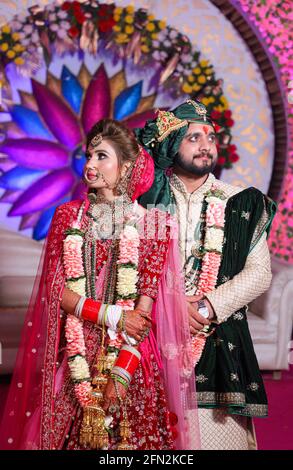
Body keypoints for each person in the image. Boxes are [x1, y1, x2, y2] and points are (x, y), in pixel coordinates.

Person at [0, 118, 199, 450]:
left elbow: (144, 311)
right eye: (88, 156)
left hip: (131, 353)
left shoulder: (155, 223)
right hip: (77, 348)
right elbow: (55, 291)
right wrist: (112, 316)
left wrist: (121, 371)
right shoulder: (68, 216)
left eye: (101, 156)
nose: (90, 164)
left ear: (125, 168)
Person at [135, 100, 276, 450]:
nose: (206, 145)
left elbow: (259, 273)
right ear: (170, 144)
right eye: (193, 137)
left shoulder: (240, 202)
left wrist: (205, 308)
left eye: (211, 137)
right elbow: (133, 266)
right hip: (152, 335)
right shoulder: (148, 203)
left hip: (218, 341)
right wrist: (171, 307)